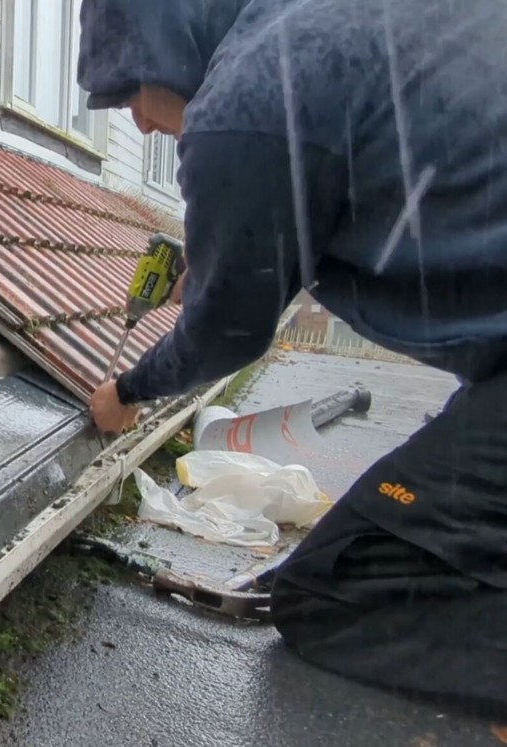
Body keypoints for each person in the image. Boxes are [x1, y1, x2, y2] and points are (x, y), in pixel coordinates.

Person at [76, 0, 507, 712]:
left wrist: (125, 390)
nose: (140, 121)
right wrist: (225, 261)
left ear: (163, 46)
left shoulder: (242, 107)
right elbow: (337, 176)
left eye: (128, 92)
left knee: (324, 593)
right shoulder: (297, 30)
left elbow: (228, 334)